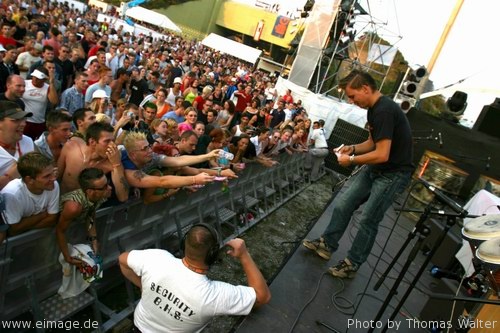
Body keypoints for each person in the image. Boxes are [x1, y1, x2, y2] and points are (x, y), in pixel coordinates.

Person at [302, 70, 413, 278]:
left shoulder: (384, 111)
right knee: (344, 204)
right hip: (378, 169)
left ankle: (352, 263)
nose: (352, 102)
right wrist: (351, 149)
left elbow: (382, 154)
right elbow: (372, 143)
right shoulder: (374, 109)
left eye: (353, 96)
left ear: (365, 88)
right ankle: (327, 244)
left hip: (393, 174)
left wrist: (351, 160)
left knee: (368, 219)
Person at [118, 224, 271, 332]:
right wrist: (244, 254)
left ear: (184, 244)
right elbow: (262, 296)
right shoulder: (213, 296)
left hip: (137, 327)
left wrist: (144, 286)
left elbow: (123, 259)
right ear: (213, 255)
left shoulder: (158, 258)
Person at [1, 152, 59, 236]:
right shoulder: (12, 194)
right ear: (29, 180)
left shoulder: (52, 185)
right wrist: (44, 214)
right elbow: (14, 228)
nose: (53, 178)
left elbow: (52, 219)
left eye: (52, 173)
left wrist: (24, 225)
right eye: (47, 176)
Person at [0, 100, 34, 190]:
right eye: (16, 120)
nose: (24, 124)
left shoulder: (27, 141)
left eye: (24, 119)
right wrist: (10, 176)